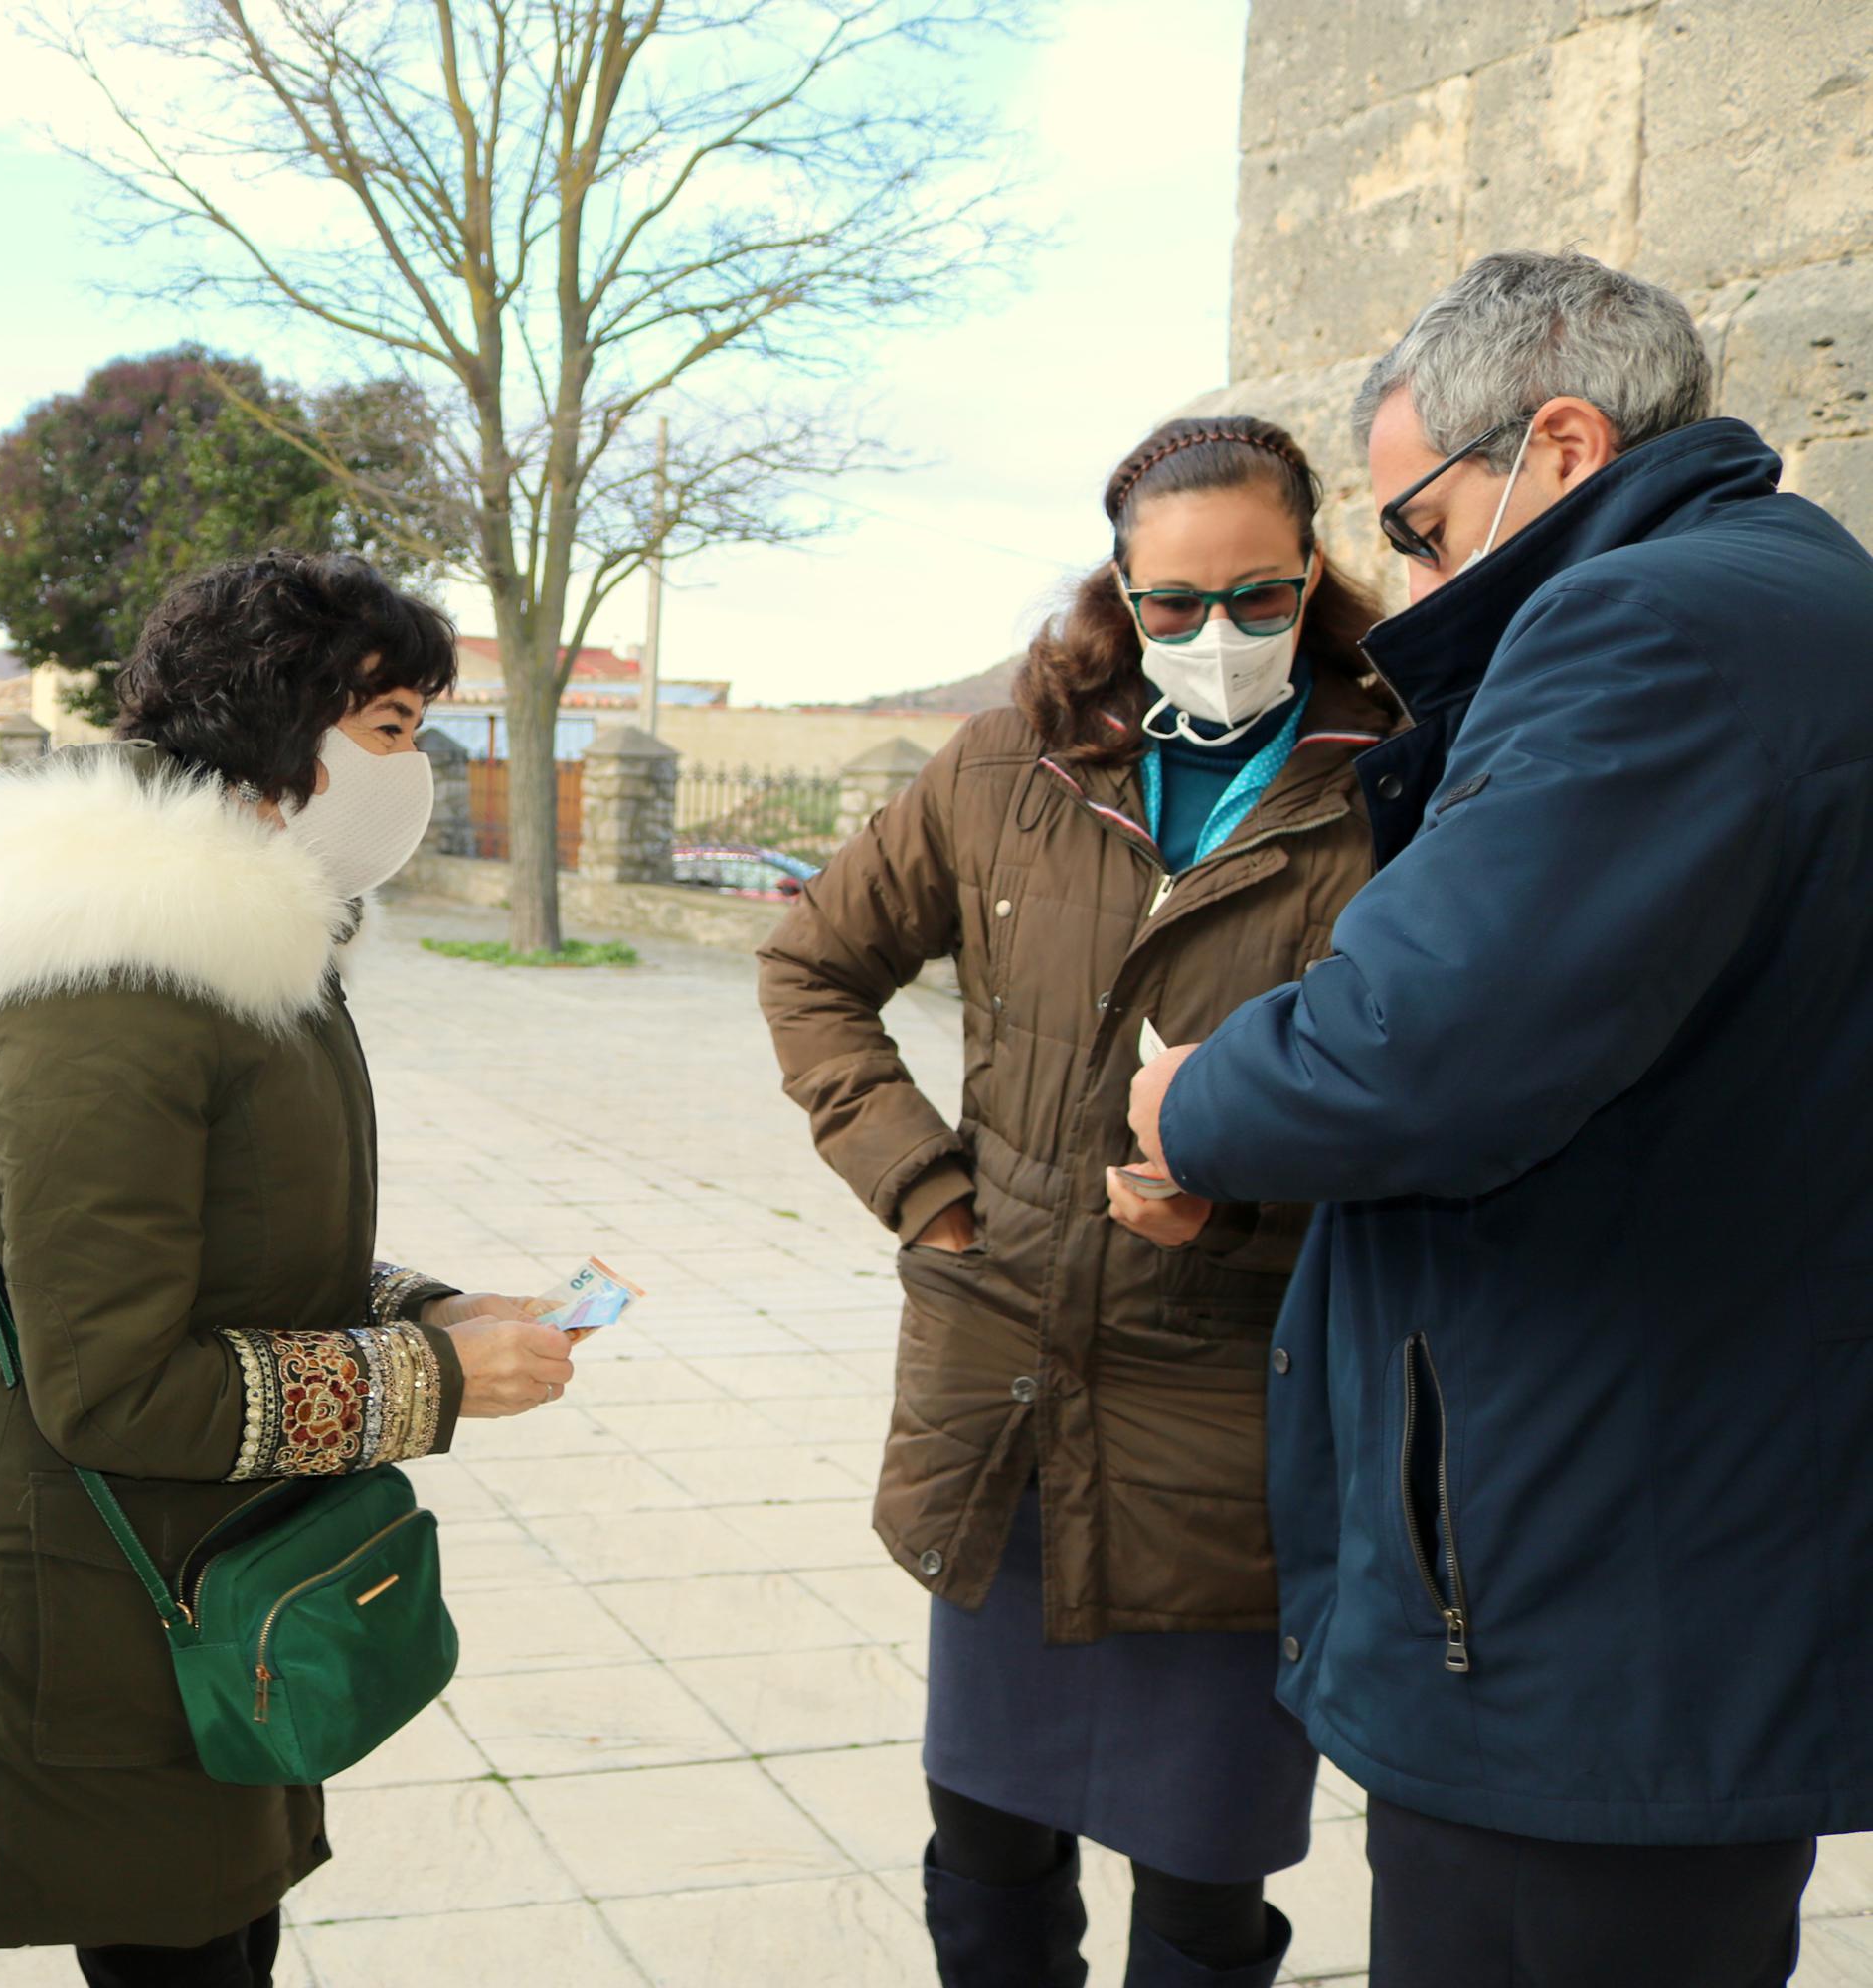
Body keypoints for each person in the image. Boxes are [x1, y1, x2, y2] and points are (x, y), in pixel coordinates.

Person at [1128, 251, 1873, 1988]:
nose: (1406, 578)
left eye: (1421, 523)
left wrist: (1194, 1102)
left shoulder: (1655, 626)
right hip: (1692, 1522)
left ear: (1557, 439)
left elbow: (1411, 1043)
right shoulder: (1795, 604)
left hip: (1594, 1582)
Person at [761, 416, 1401, 1988]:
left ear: (1315, 573)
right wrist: (924, 1188)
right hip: (1009, 1407)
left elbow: (1429, 1102)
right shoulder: (1011, 765)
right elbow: (814, 968)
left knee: (1203, 1891)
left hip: (1231, 1418)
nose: (1217, 634)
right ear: (1119, 590)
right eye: (1174, 603)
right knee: (984, 1859)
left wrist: (1238, 1211)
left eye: (1258, 596)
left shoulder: (1397, 784)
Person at [0, 551, 578, 1985]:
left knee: (227, 1934)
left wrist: (425, 1306)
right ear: (290, 724)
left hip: (207, 1550)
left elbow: (241, 1231)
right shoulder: (117, 979)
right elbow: (113, 1382)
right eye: (392, 726)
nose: (417, 766)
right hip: (99, 1569)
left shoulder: (243, 947)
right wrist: (429, 1379)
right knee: (179, 1954)